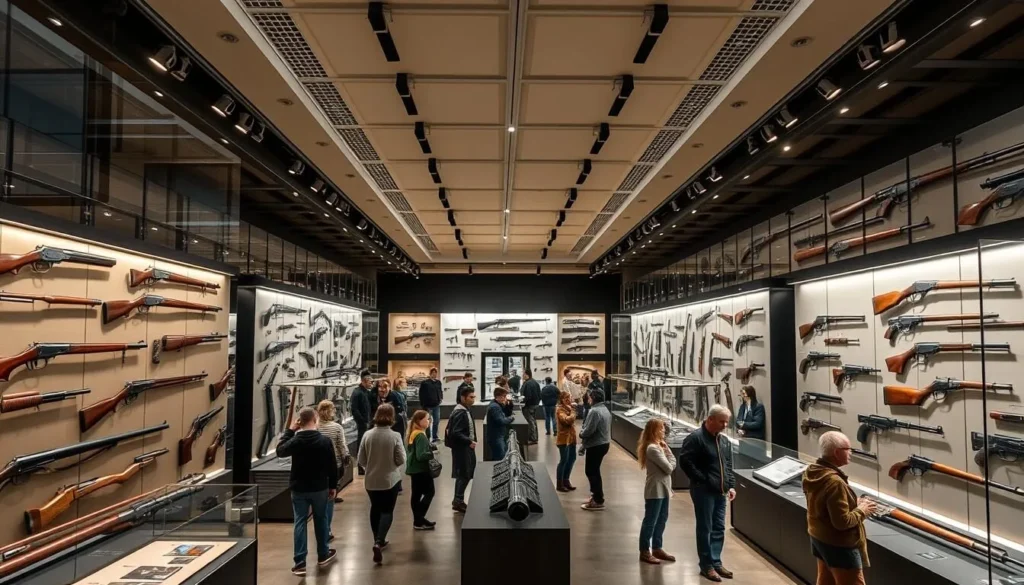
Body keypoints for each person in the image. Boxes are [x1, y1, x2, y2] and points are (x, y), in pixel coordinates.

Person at [803, 431, 876, 585]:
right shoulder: (835, 482)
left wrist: (852, 502)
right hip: (839, 546)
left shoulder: (813, 471)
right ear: (837, 453)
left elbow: (824, 503)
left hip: (819, 537)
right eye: (848, 449)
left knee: (825, 580)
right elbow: (842, 522)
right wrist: (862, 510)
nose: (851, 452)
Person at [276, 407, 338, 576]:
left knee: (300, 522)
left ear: (300, 422)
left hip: (299, 487)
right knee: (321, 519)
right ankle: (323, 553)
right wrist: (333, 486)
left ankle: (300, 561)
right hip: (319, 487)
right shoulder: (324, 441)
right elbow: (332, 466)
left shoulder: (296, 440)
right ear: (315, 420)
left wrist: (290, 431)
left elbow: (280, 451)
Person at [679, 405, 736, 582]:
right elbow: (685, 461)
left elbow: (727, 465)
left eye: (726, 422)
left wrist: (730, 485)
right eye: (721, 421)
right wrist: (702, 479)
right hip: (703, 491)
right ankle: (706, 565)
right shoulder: (695, 438)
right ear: (710, 419)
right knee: (705, 528)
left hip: (720, 491)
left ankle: (715, 561)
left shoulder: (724, 441)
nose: (725, 425)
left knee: (718, 527)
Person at [356, 403, 406, 565]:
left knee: (375, 508)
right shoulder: (395, 436)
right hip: (390, 479)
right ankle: (379, 541)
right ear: (392, 417)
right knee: (387, 511)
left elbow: (361, 459)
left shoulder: (367, 435)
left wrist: (371, 466)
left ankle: (376, 539)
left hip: (371, 480)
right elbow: (401, 459)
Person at [638, 418, 677, 565]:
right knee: (650, 521)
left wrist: (666, 450)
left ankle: (657, 547)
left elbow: (670, 464)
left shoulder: (659, 446)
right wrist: (669, 454)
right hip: (655, 490)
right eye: (661, 428)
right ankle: (644, 550)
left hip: (664, 489)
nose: (663, 431)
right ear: (654, 430)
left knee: (662, 519)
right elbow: (669, 467)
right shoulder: (652, 448)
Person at [579, 388, 611, 511]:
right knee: (595, 471)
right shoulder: (604, 409)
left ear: (593, 398)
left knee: (591, 472)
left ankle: (597, 500)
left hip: (596, 445)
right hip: (603, 443)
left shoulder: (595, 411)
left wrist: (581, 434)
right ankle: (597, 496)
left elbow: (589, 430)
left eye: (589, 397)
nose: (588, 399)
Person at [316, 400, 351, 511]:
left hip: (318, 462)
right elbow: (341, 445)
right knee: (334, 483)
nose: (335, 411)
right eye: (333, 409)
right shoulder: (336, 427)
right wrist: (346, 457)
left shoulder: (315, 427)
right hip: (335, 462)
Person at [406, 410, 437, 530]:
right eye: (427, 419)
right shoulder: (420, 436)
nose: (429, 421)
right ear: (419, 421)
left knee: (416, 495)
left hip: (414, 469)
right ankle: (419, 518)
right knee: (430, 492)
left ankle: (418, 520)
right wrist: (432, 453)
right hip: (421, 470)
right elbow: (421, 455)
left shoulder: (413, 433)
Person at [448, 386, 477, 513]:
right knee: (464, 474)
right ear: (463, 398)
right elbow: (455, 432)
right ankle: (458, 500)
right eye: (471, 397)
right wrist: (469, 441)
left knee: (466, 473)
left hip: (465, 447)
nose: (473, 399)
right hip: (462, 448)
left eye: (474, 397)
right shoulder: (460, 412)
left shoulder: (465, 410)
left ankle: (458, 499)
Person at [351, 371, 374, 475]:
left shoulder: (365, 392)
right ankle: (360, 466)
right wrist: (362, 422)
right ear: (364, 381)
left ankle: (364, 465)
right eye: (370, 382)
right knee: (361, 444)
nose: (371, 384)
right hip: (363, 423)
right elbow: (354, 409)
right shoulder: (357, 392)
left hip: (366, 422)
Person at [555, 389, 578, 492]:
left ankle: (566, 480)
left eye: (569, 397)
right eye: (566, 398)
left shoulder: (569, 408)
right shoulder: (560, 410)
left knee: (572, 459)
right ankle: (559, 484)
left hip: (571, 438)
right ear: (561, 400)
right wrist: (573, 412)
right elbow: (566, 420)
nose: (568, 400)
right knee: (564, 460)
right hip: (563, 440)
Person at [486, 387, 515, 460]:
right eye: (504, 396)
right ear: (498, 396)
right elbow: (501, 421)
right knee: (500, 458)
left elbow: (507, 412)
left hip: (497, 435)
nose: (505, 398)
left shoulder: (496, 404)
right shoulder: (495, 407)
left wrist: (509, 404)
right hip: (496, 436)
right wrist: (511, 419)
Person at [419, 367, 444, 442]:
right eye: (433, 373)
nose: (435, 374)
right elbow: (421, 394)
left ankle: (435, 437)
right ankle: (427, 437)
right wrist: (423, 405)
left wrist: (441, 398)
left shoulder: (438, 382)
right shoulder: (425, 383)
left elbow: (440, 391)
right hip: (428, 406)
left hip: (436, 405)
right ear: (430, 374)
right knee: (427, 422)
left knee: (436, 421)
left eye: (436, 373)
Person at [520, 369, 541, 445]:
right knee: (533, 421)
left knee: (530, 421)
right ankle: (534, 437)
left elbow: (528, 396)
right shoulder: (535, 382)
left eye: (523, 374)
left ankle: (533, 438)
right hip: (535, 404)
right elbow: (539, 394)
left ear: (526, 374)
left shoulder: (528, 383)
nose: (522, 376)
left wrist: (523, 401)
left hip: (529, 405)